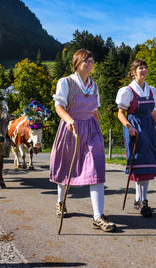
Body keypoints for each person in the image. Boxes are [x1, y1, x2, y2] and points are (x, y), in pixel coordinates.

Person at [50, 48, 116, 232]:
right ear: (77, 63)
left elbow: (95, 110)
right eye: (86, 60)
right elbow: (58, 106)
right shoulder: (66, 82)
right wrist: (69, 119)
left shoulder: (94, 86)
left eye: (92, 61)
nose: (90, 64)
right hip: (71, 128)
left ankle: (98, 216)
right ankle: (60, 201)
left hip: (91, 128)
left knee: (96, 169)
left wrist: (97, 128)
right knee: (66, 168)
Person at [116, 59, 156, 217]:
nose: (143, 70)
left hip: (149, 129)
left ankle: (140, 199)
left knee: (148, 165)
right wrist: (129, 127)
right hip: (135, 129)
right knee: (138, 164)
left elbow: (153, 113)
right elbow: (120, 113)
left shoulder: (152, 90)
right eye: (140, 68)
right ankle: (142, 200)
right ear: (133, 72)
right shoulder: (128, 91)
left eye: (145, 67)